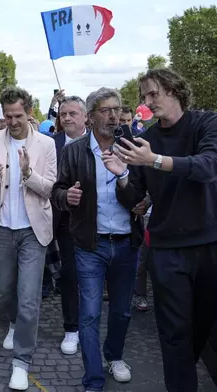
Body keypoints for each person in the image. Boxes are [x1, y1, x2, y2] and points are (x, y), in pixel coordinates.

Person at [112, 68, 217, 392]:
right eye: (144, 96)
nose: (147, 101)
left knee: (205, 326)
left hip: (209, 244)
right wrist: (122, 175)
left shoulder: (205, 123)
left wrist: (154, 160)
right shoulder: (149, 140)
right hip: (166, 249)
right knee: (173, 335)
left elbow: (207, 167)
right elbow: (133, 198)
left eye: (153, 93)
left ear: (174, 90)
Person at [53, 87, 142, 391]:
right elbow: (57, 192)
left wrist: (123, 177)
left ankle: (114, 356)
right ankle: (93, 378)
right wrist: (68, 197)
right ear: (90, 117)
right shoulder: (74, 151)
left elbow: (138, 199)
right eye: (106, 110)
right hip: (90, 245)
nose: (114, 115)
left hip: (127, 242)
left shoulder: (132, 148)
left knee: (121, 310)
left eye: (117, 109)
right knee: (89, 314)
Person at [0, 87, 57, 391]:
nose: (12, 122)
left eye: (18, 116)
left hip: (32, 231)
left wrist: (27, 173)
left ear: (29, 112)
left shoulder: (46, 144)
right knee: (7, 291)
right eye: (7, 116)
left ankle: (21, 362)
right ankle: (13, 322)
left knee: (29, 299)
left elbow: (49, 188)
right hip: (0, 228)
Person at [52, 95, 88, 356]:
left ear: (85, 116)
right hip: (63, 220)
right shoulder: (50, 144)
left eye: (73, 113)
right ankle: (71, 328)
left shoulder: (99, 143)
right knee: (70, 274)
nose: (67, 118)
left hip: (97, 221)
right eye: (63, 114)